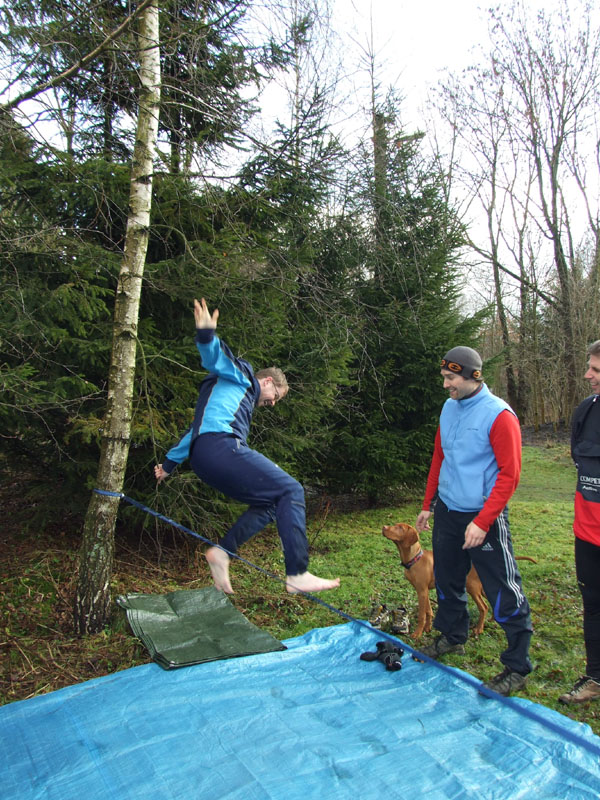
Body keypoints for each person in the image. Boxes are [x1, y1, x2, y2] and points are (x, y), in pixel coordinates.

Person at [154, 297, 340, 596]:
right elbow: (215, 357)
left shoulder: (225, 399)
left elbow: (193, 432)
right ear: (266, 381)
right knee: (291, 490)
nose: (272, 403)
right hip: (220, 449)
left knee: (269, 504)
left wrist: (169, 466)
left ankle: (224, 552)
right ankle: (297, 573)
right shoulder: (242, 377)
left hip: (204, 459)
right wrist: (206, 334)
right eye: (275, 395)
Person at [414, 346, 533, 697]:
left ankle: (517, 665)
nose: (446, 385)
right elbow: (440, 456)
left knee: (501, 587)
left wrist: (482, 521)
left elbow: (510, 475)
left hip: (485, 518)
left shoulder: (499, 415)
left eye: (452, 379)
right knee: (449, 579)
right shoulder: (449, 409)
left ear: (473, 376)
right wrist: (428, 503)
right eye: (444, 378)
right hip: (448, 511)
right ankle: (453, 637)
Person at [559, 340, 600, 704]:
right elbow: (578, 460)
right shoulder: (585, 412)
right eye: (590, 366)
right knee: (594, 605)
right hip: (587, 534)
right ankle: (596, 678)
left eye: (596, 370)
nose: (587, 374)